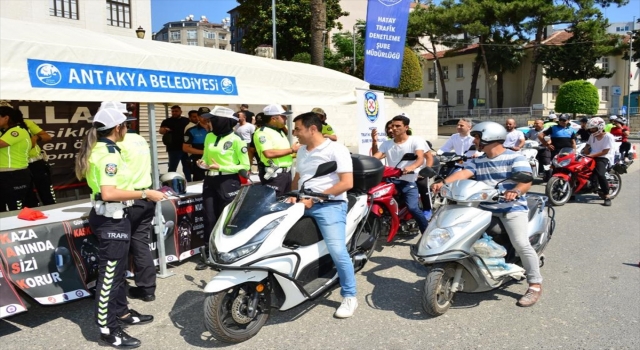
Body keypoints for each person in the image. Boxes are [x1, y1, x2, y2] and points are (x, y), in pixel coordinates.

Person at [74, 107, 166, 348]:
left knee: (119, 271)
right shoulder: (109, 154)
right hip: (111, 218)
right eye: (126, 124)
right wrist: (146, 192)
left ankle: (123, 313)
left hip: (115, 215)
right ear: (118, 128)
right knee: (110, 276)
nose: (127, 128)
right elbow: (109, 192)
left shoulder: (105, 149)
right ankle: (108, 329)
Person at [431, 121, 543, 307]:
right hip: (482, 207)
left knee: (521, 244)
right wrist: (443, 183)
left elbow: (526, 180)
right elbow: (463, 174)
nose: (474, 140)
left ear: (489, 137)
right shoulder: (478, 160)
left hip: (510, 208)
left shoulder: (515, 158)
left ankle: (535, 284)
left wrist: (515, 191)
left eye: (477, 137)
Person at [290, 111, 357, 318]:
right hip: (302, 203)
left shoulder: (336, 150)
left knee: (337, 250)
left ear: (312, 129)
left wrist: (316, 198)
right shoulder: (302, 151)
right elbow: (299, 176)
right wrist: (293, 195)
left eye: (298, 129)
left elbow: (347, 183)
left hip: (330, 205)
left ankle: (350, 296)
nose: (295, 134)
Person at [96, 101, 158, 304]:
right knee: (141, 243)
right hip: (147, 195)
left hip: (129, 199)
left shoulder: (113, 144)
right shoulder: (139, 138)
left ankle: (117, 296)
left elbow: (109, 185)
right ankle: (148, 289)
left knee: (120, 251)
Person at [195, 106, 250, 270]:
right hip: (209, 181)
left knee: (226, 219)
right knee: (209, 217)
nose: (209, 122)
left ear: (223, 121)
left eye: (213, 119)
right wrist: (202, 163)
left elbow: (244, 166)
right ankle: (209, 254)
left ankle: (225, 255)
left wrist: (222, 167)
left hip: (228, 182)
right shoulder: (209, 137)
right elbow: (205, 156)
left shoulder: (237, 139)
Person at [372, 114, 428, 233]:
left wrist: (411, 167)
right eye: (392, 126)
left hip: (408, 181)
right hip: (390, 180)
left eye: (398, 126)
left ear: (406, 127)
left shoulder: (415, 140)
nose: (394, 128)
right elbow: (375, 158)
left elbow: (420, 159)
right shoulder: (387, 144)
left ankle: (427, 232)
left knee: (413, 208)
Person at [253, 104, 300, 196]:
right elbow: (269, 153)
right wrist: (292, 150)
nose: (285, 118)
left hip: (286, 174)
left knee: (286, 202)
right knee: (274, 205)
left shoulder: (280, 131)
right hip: (274, 175)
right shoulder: (262, 132)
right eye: (283, 116)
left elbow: (282, 152)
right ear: (273, 118)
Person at [0, 106, 32, 212]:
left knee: (14, 209)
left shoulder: (17, 131)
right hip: (5, 174)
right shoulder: (4, 132)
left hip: (14, 174)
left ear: (6, 118)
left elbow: (1, 143)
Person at [22, 113, 56, 208]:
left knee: (46, 194)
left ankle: (54, 217)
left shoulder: (26, 123)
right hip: (18, 166)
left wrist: (36, 137)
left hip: (36, 162)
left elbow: (47, 136)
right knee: (27, 197)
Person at [583, 117, 616, 206]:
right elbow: (587, 145)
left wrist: (591, 155)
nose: (592, 131)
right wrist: (585, 149)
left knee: (600, 174)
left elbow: (605, 151)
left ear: (600, 127)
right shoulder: (592, 136)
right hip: (592, 156)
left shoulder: (608, 136)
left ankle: (607, 196)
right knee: (578, 169)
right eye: (591, 129)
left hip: (604, 157)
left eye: (593, 128)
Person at [159, 105, 191, 181]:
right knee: (172, 167)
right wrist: (165, 129)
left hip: (186, 148)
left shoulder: (186, 120)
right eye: (173, 111)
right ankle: (169, 182)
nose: (174, 113)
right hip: (173, 148)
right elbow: (160, 131)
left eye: (176, 111)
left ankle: (189, 181)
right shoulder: (167, 121)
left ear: (180, 112)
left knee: (187, 168)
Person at [183, 107, 212, 182]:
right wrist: (204, 152)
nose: (206, 118)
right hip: (199, 162)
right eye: (203, 116)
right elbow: (185, 148)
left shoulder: (217, 130)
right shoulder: (192, 130)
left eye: (208, 116)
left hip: (214, 161)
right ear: (198, 117)